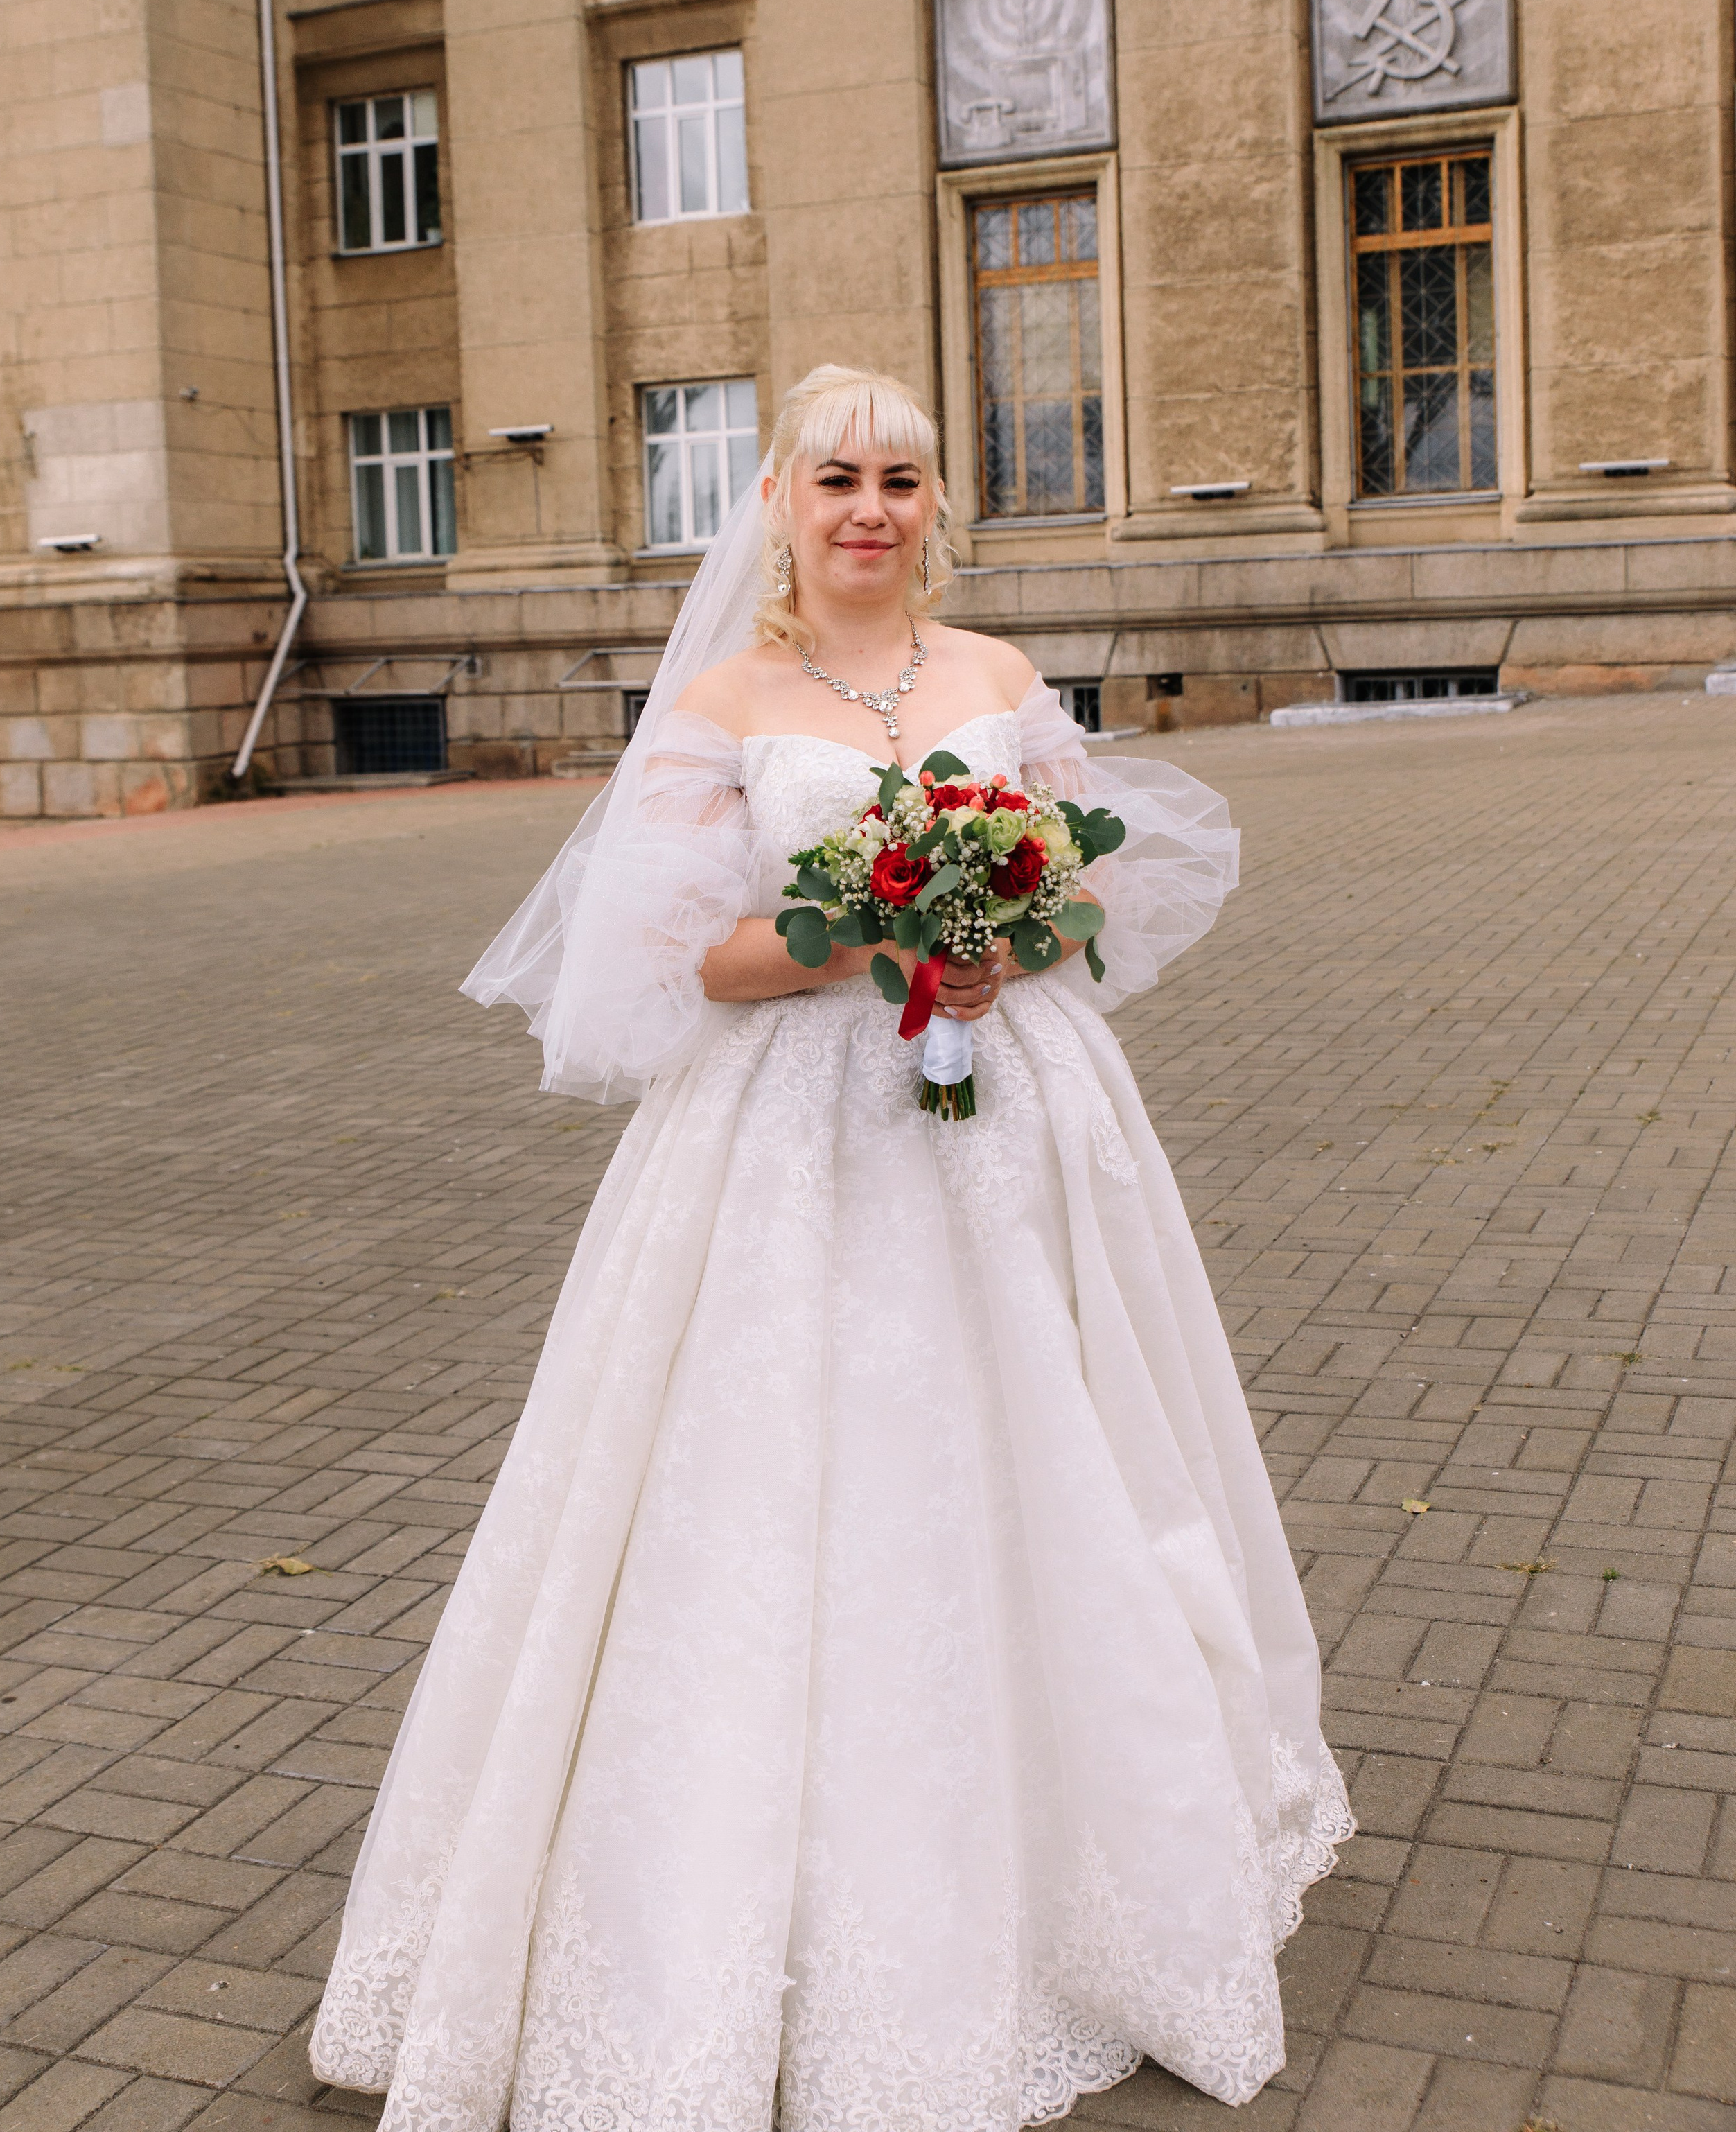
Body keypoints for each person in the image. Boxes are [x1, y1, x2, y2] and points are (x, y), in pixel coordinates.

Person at [308, 363, 1352, 2128]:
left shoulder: (998, 682)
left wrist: (1008, 919)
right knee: (770, 1478)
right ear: (780, 502)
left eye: (901, 478)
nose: (869, 507)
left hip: (1008, 1120)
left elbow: (1084, 880)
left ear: (937, 505)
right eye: (836, 478)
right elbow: (676, 959)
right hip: (788, 1139)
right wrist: (871, 920)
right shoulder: (718, 700)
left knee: (1049, 1449)